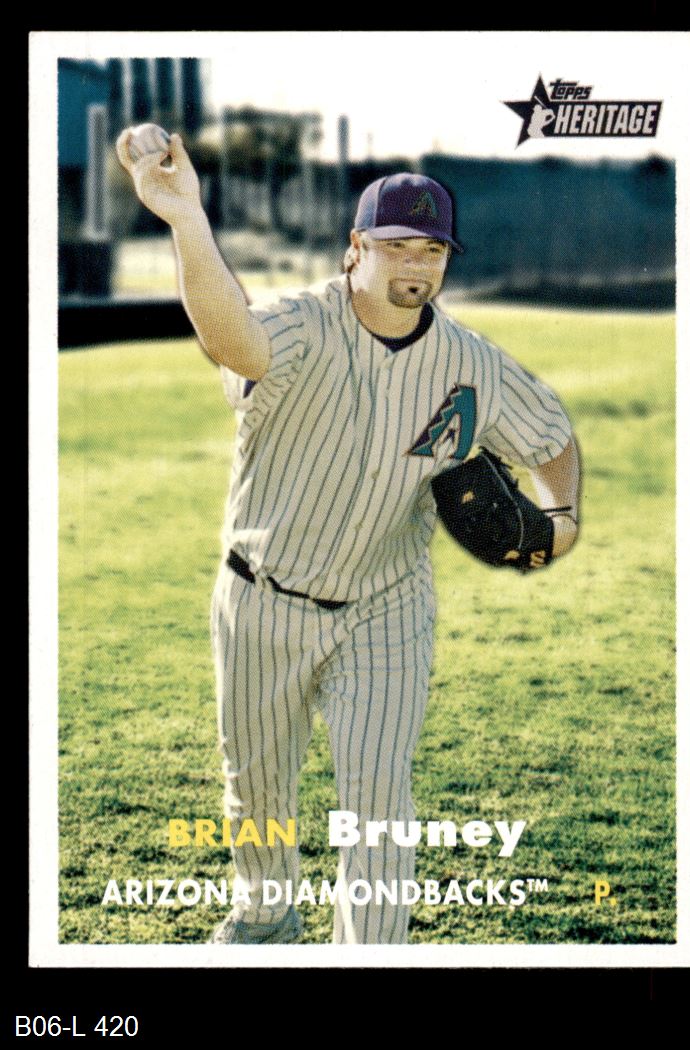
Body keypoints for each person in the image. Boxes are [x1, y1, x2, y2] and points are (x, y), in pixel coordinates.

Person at [116, 128, 581, 945]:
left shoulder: (472, 363)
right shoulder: (301, 326)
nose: (416, 265)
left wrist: (562, 520)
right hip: (261, 598)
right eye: (397, 246)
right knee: (256, 786)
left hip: (385, 606)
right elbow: (233, 340)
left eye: (432, 250)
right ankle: (265, 916)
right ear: (355, 248)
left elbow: (549, 436)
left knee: (377, 800)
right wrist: (186, 217)